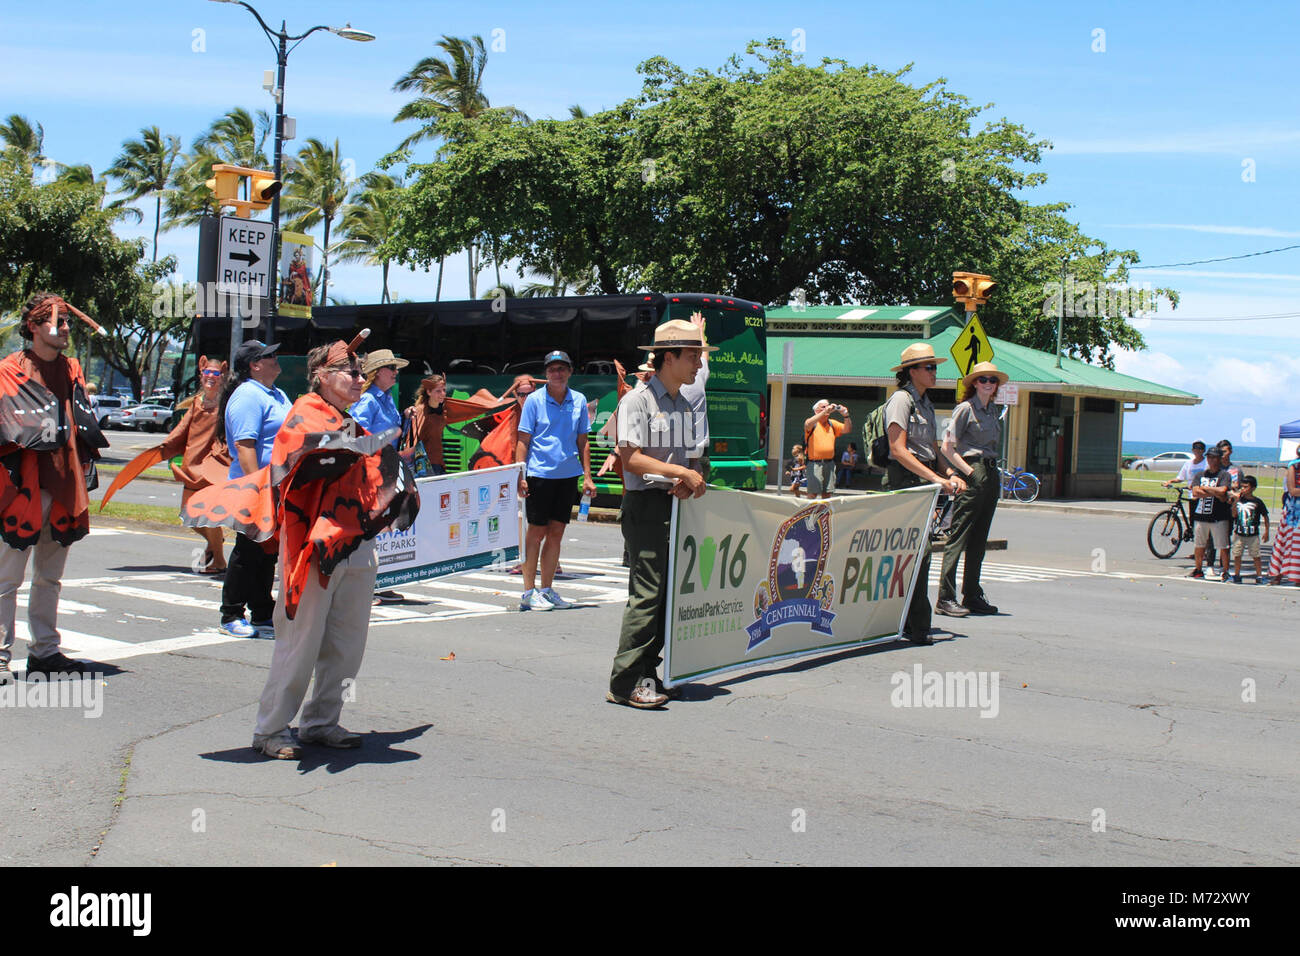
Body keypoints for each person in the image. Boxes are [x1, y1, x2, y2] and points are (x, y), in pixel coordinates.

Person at [184, 338, 419, 759]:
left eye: (359, 370)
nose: (357, 377)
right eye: (348, 370)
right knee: (300, 643)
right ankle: (271, 729)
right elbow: (302, 460)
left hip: (357, 544)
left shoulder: (351, 418)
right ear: (322, 376)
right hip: (313, 547)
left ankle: (322, 721)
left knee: (348, 642)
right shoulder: (305, 413)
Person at [607, 319, 713, 708]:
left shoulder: (684, 404)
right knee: (647, 594)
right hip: (645, 507)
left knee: (667, 595)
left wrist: (691, 476)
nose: (699, 365)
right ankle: (624, 682)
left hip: (673, 505)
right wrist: (681, 472)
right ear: (668, 358)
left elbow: (691, 460)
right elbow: (631, 459)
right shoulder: (636, 401)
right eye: (692, 356)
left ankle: (649, 674)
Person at [0, 292, 107, 679]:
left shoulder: (73, 368)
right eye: (58, 323)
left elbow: (81, 425)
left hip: (63, 484)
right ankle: (0, 652)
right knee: (7, 577)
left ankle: (44, 650)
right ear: (33, 327)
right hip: (20, 487)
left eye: (67, 323)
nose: (65, 330)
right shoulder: (9, 369)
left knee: (50, 576)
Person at [99, 355, 231, 573]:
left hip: (213, 468)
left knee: (209, 516)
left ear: (222, 376)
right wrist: (160, 450)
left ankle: (219, 560)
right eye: (207, 372)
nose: (211, 377)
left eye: (215, 374)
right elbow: (179, 433)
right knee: (190, 517)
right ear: (201, 374)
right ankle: (214, 543)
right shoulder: (196, 404)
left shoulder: (226, 405)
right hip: (192, 467)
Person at [883, 343, 966, 642]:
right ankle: (916, 625)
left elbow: (932, 448)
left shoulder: (926, 403)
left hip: (925, 483)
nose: (934, 372)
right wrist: (934, 477)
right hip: (907, 481)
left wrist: (952, 473)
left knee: (918, 554)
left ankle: (907, 621)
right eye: (928, 367)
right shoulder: (901, 401)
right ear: (912, 371)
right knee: (919, 553)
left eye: (934, 367)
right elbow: (897, 449)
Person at [218, 341, 292, 638]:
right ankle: (231, 614)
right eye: (269, 356)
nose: (276, 359)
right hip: (255, 486)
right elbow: (245, 445)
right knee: (248, 551)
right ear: (254, 365)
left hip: (276, 484)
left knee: (267, 551)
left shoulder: (276, 393)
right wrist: (258, 486)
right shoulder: (248, 395)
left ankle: (262, 611)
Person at [515, 350, 595, 611]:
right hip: (539, 475)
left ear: (570, 372)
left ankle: (547, 590)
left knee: (557, 533)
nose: (557, 373)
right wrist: (521, 474)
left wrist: (587, 476)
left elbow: (583, 440)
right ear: (545, 374)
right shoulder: (534, 401)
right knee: (536, 532)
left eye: (562, 369)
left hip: (567, 475)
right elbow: (523, 440)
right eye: (552, 369)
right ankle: (528, 592)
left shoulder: (579, 400)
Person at [938, 361, 1007, 616]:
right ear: (974, 383)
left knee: (979, 538)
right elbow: (947, 447)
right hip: (973, 468)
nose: (988, 384)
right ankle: (945, 597)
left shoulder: (992, 411)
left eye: (992, 380)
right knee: (959, 535)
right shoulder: (965, 409)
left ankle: (972, 594)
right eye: (983, 379)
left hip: (990, 470)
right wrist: (966, 472)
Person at [1188, 446, 1232, 581]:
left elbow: (1223, 490)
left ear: (1219, 459)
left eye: (1214, 457)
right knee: (1199, 545)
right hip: (1201, 515)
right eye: (1209, 457)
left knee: (1222, 546)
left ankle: (1225, 570)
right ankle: (1198, 569)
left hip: (1219, 517)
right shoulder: (1200, 475)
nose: (1211, 460)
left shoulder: (1224, 475)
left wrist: (1206, 488)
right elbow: (1195, 492)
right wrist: (1215, 491)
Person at [350, 349, 408, 449]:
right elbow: (356, 438)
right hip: (374, 462)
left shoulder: (388, 398)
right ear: (377, 372)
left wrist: (406, 416)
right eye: (392, 367)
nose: (396, 371)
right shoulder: (367, 399)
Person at [803, 399, 851, 498]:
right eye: (823, 407)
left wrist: (846, 415)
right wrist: (826, 411)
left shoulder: (832, 423)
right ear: (816, 411)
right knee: (813, 493)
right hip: (814, 463)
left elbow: (847, 429)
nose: (827, 409)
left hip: (829, 463)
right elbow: (807, 424)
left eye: (827, 406)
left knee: (827, 493)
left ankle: (824, 513)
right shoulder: (812, 423)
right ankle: (809, 512)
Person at [1229, 476, 1269, 584]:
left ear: (1253, 488)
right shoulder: (1238, 501)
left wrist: (1267, 531)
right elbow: (1233, 514)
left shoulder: (1257, 502)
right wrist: (1236, 500)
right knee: (1237, 554)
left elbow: (1265, 516)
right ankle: (1237, 575)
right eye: (1242, 487)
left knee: (1256, 555)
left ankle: (1259, 575)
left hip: (1253, 534)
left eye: (1246, 487)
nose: (1243, 489)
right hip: (1239, 533)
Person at [1267, 454, 1300, 586]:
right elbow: (1292, 490)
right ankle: (1278, 574)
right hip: (1294, 511)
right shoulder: (1294, 465)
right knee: (1287, 541)